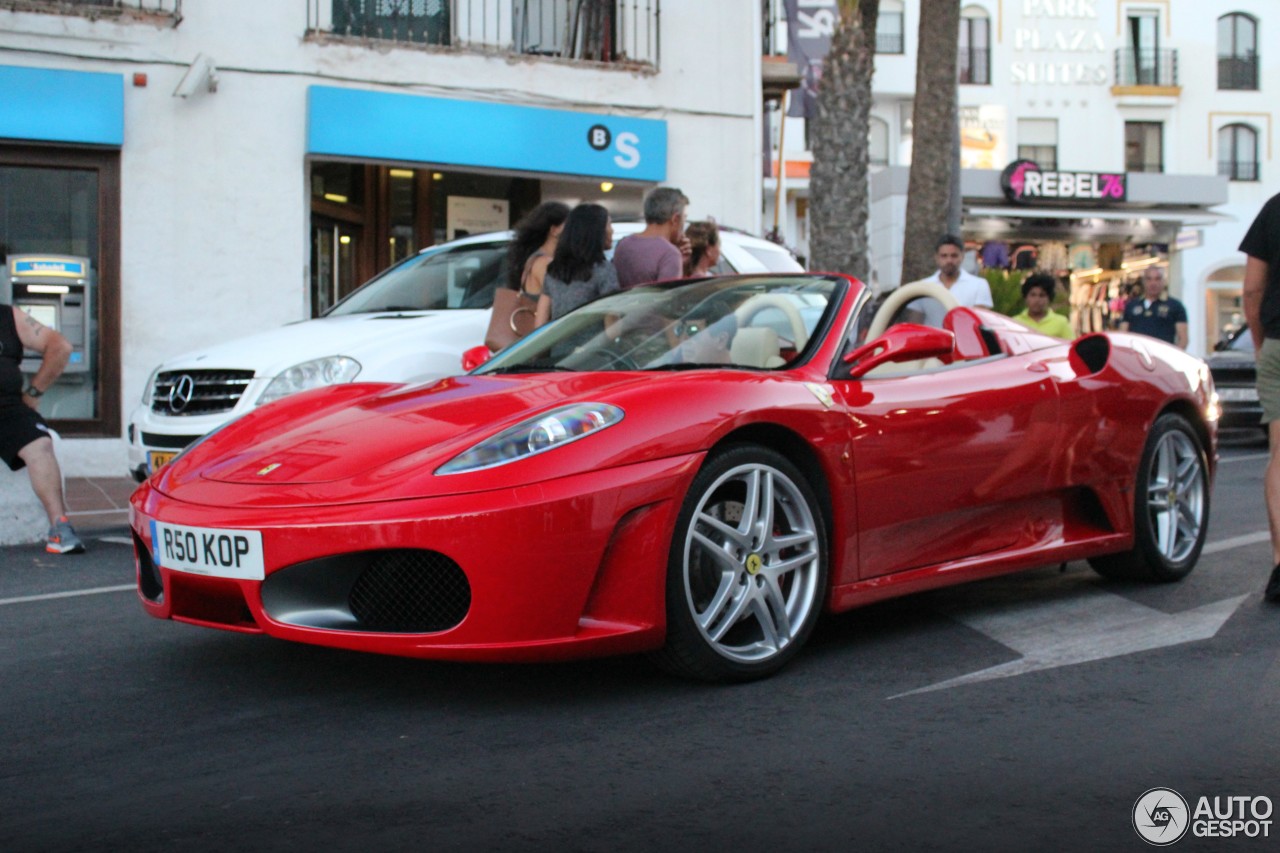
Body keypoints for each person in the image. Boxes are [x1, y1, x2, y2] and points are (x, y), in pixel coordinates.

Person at [0, 304, 85, 554]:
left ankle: (60, 527)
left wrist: (34, 391)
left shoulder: (8, 316)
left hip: (7, 408)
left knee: (41, 444)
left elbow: (61, 347)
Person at [1240, 191, 1280, 601]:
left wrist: (1260, 343)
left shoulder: (1274, 208)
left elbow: (1252, 290)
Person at [535, 203, 619, 325]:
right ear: (596, 231)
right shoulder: (604, 271)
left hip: (558, 342)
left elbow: (539, 324)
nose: (612, 230)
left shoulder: (555, 270)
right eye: (609, 224)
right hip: (590, 343)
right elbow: (612, 331)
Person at [906, 234, 994, 326]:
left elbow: (980, 323)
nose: (949, 260)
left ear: (962, 256)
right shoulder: (923, 287)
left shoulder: (979, 285)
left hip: (964, 339)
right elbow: (915, 324)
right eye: (944, 256)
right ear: (936, 258)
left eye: (954, 256)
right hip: (931, 339)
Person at [613, 186, 690, 288]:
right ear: (675, 219)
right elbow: (668, 299)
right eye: (684, 218)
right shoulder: (670, 254)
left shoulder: (624, 244)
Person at [505, 201, 570, 301]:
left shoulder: (535, 258)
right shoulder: (544, 263)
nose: (573, 230)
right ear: (554, 230)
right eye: (569, 224)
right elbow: (560, 300)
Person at [1119, 266, 1187, 349]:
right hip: (1136, 357)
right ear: (1143, 281)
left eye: (1157, 279)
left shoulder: (1175, 306)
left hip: (1162, 357)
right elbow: (1122, 335)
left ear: (1164, 281)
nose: (1153, 283)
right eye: (1149, 279)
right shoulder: (1131, 305)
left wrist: (1171, 358)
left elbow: (1183, 340)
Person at [1011, 273, 1073, 339]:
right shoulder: (1015, 322)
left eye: (1042, 295)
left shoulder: (1061, 322)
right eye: (1033, 295)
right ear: (1025, 297)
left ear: (1049, 298)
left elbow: (1070, 346)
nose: (1037, 300)